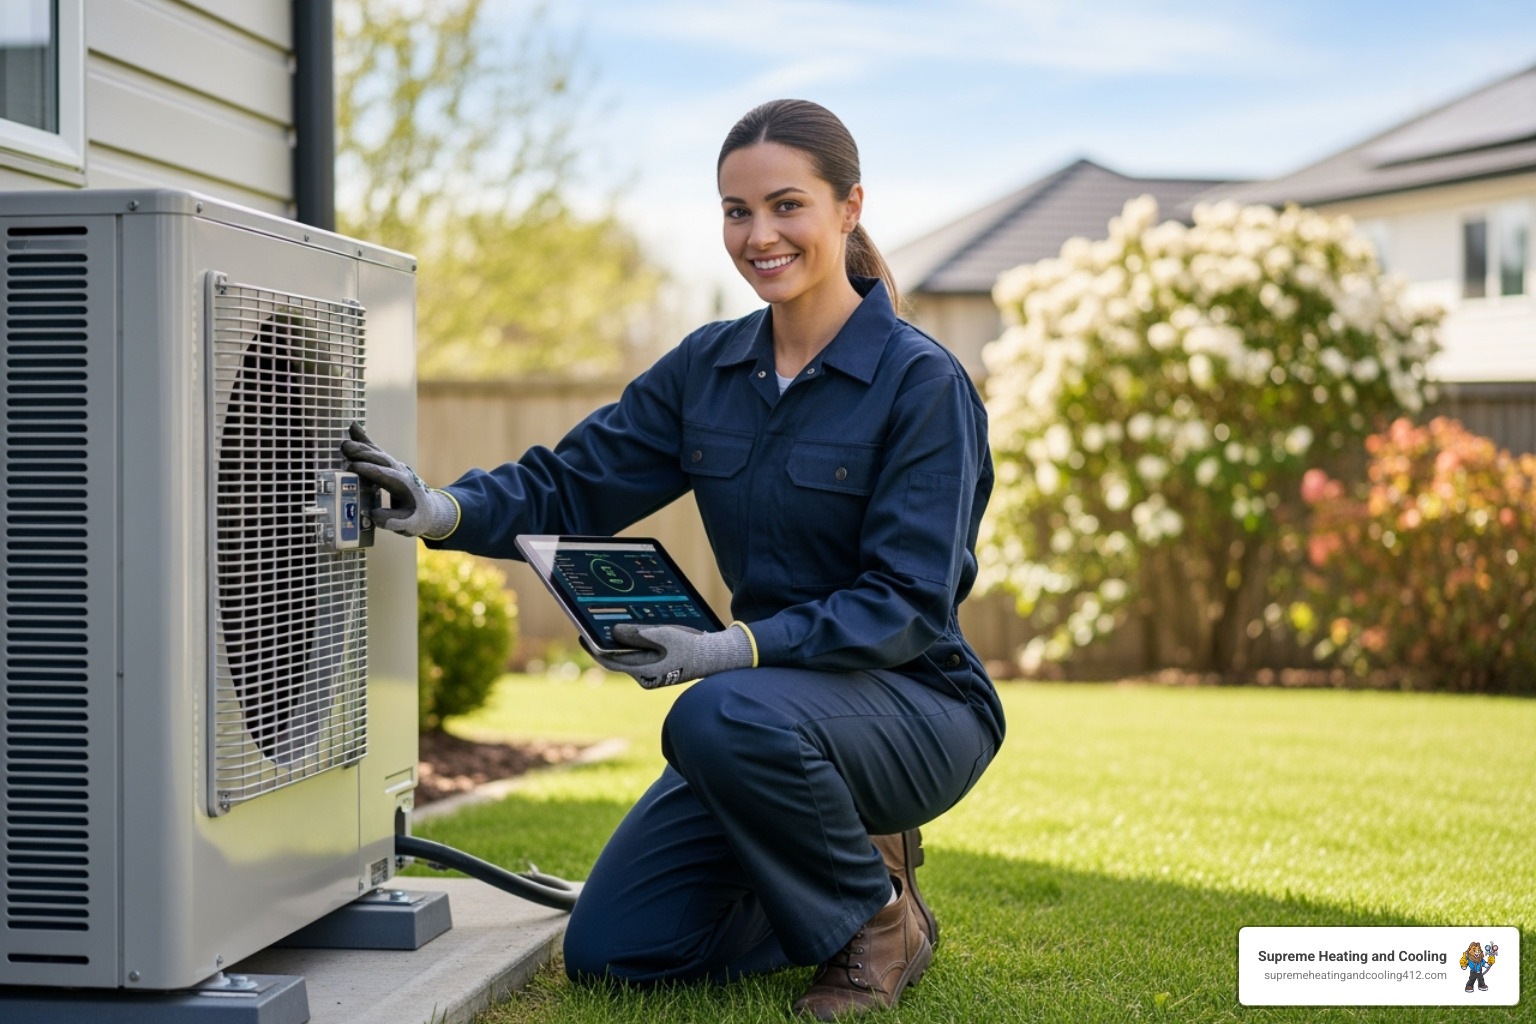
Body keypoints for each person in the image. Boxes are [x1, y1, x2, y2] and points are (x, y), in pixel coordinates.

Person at [342, 98, 1004, 1019]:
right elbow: (573, 483)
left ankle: (881, 920)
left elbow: (905, 604)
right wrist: (447, 507)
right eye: (737, 212)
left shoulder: (921, 383)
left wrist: (729, 650)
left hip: (915, 705)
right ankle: (827, 879)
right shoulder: (709, 368)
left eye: (786, 206)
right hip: (767, 721)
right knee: (619, 953)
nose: (759, 235)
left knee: (713, 714)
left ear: (848, 208)